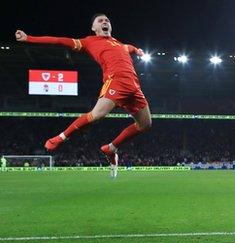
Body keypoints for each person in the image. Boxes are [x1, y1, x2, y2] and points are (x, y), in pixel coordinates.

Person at [15, 14, 152, 177]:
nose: (105, 22)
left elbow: (129, 48)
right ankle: (61, 137)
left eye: (107, 20)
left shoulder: (120, 44)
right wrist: (29, 38)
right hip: (116, 82)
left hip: (135, 87)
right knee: (98, 114)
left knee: (145, 124)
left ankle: (111, 148)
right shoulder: (88, 42)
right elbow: (59, 41)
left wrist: (138, 50)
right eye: (100, 21)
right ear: (94, 28)